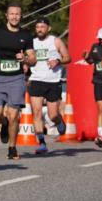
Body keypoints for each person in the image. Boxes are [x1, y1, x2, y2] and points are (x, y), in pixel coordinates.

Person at [0, 4, 36, 161]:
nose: (14, 16)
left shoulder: (26, 35)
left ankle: (12, 148)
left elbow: (33, 59)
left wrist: (25, 59)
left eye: (17, 14)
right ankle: (3, 124)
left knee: (14, 115)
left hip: (16, 79)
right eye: (12, 14)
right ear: (6, 15)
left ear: (21, 16)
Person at [28, 17, 71, 154]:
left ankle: (59, 121)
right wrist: (25, 62)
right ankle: (41, 142)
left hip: (52, 81)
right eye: (37, 27)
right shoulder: (31, 43)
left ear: (48, 28)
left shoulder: (56, 41)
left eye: (42, 27)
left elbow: (68, 58)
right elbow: (28, 60)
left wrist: (58, 61)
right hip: (36, 79)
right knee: (37, 112)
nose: (39, 29)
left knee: (52, 115)